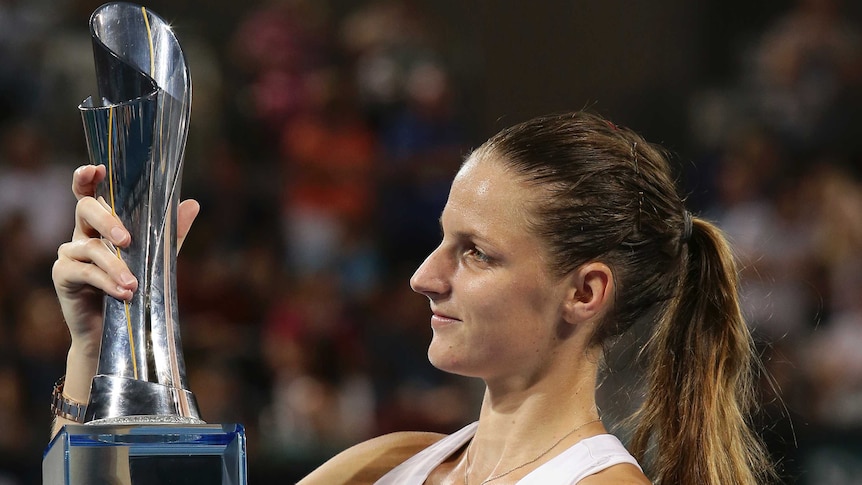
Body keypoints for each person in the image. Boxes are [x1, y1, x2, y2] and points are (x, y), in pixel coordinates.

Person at [51, 111, 775, 484]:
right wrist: (103, 340)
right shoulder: (392, 462)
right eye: (441, 239)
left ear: (583, 291)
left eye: (476, 253)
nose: (425, 276)